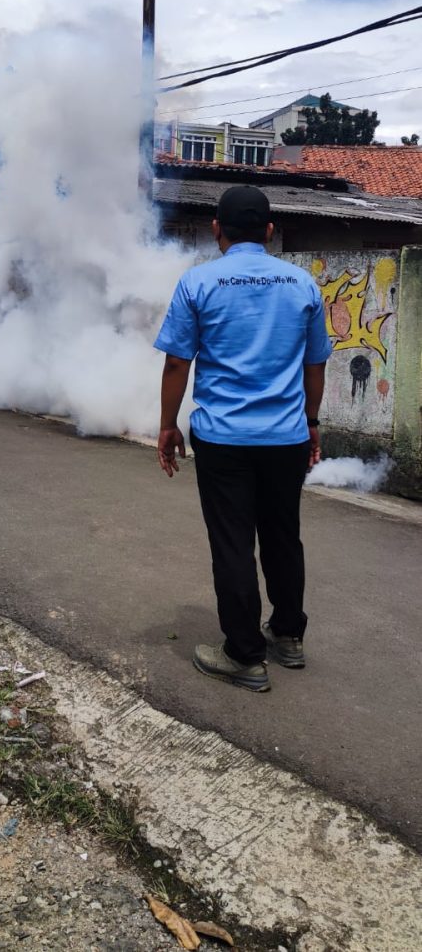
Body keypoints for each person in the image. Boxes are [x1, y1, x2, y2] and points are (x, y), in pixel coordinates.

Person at [154, 186, 332, 693]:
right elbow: (314, 364)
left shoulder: (198, 282)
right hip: (286, 437)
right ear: (270, 232)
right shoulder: (302, 285)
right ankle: (288, 636)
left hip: (224, 438)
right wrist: (312, 422)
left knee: (233, 542)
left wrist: (168, 425)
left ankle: (244, 655)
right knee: (282, 534)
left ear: (217, 229)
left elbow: (175, 362)